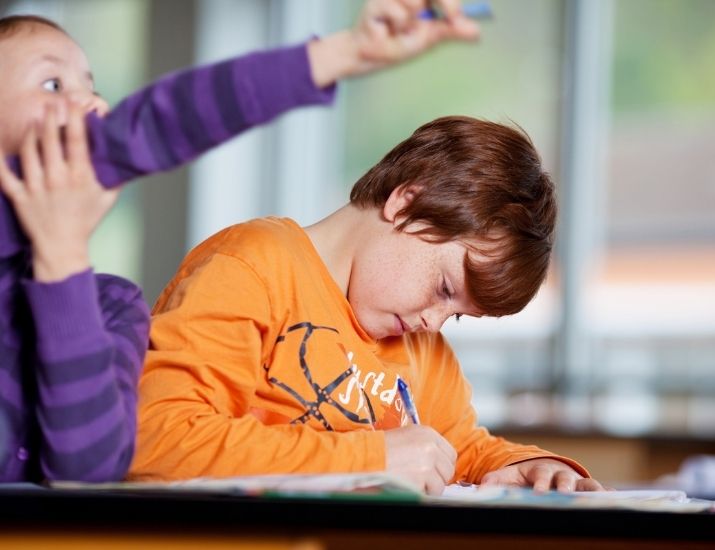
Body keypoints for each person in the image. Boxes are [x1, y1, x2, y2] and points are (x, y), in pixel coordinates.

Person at [0, 1, 480, 483]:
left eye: (93, 88)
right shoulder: (254, 263)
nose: (93, 107)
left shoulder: (112, 309)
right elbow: (169, 119)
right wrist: (335, 56)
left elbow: (84, 469)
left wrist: (61, 259)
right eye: (53, 84)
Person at [130, 116, 605, 495]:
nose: (434, 322)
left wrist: (526, 466)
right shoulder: (252, 266)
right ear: (405, 203)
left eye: (457, 313)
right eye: (444, 287)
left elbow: (456, 449)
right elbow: (156, 439)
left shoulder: (422, 346)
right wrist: (372, 458)